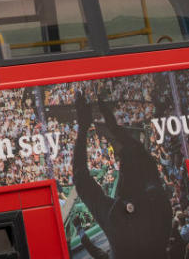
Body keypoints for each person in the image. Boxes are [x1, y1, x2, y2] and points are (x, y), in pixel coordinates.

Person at [71, 93, 173, 259]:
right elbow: (145, 159)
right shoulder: (161, 204)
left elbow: (80, 178)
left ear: (122, 181)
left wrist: (83, 129)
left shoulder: (115, 217)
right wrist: (114, 128)